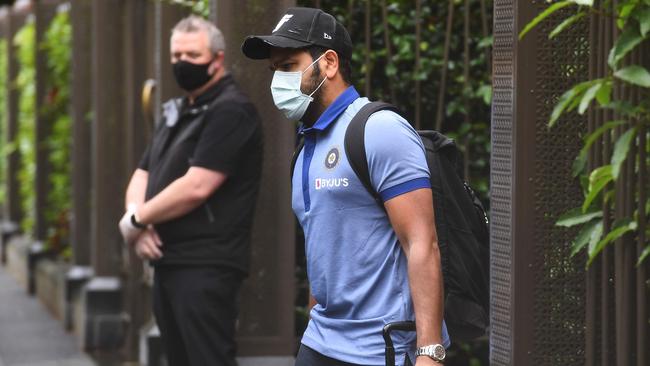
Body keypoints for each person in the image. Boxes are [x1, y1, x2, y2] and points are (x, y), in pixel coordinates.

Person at [242, 7, 449, 366]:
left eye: (289, 66)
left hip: (379, 347)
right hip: (320, 342)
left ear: (330, 63)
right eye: (274, 69)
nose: (278, 80)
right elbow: (321, 246)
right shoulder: (307, 145)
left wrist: (429, 353)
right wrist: (312, 325)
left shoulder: (380, 130)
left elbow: (422, 242)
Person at [118, 15, 263, 366]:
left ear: (218, 59)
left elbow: (198, 185)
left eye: (192, 56)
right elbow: (143, 172)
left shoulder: (232, 110)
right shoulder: (181, 109)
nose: (183, 63)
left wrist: (137, 220)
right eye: (176, 56)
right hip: (169, 261)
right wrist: (136, 223)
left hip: (206, 265)